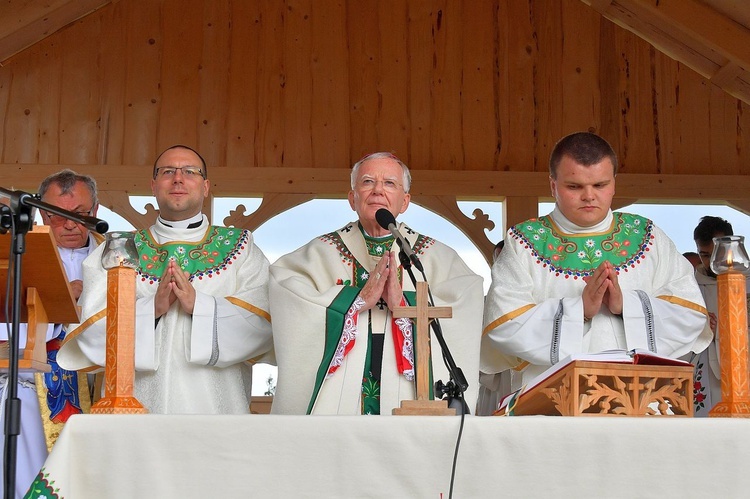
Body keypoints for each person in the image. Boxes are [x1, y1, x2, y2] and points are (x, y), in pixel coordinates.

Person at [481, 132, 712, 389]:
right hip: (551, 397)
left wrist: (627, 305)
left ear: (614, 183)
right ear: (553, 185)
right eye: (574, 186)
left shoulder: (648, 236)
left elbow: (690, 315)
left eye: (600, 185)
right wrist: (578, 310)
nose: (589, 196)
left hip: (640, 395)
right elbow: (503, 323)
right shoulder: (524, 242)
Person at [58, 145, 273, 414]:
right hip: (137, 408)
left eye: (190, 171)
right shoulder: (118, 249)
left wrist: (200, 306)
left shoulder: (241, 247)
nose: (178, 179)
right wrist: (152, 309)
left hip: (216, 410)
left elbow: (264, 325)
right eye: (168, 171)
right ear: (153, 185)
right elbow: (90, 330)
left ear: (206, 186)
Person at [269, 152, 483, 415]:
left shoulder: (433, 256)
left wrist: (404, 305)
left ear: (405, 202)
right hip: (339, 397)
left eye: (390, 183)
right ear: (352, 198)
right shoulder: (320, 253)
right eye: (368, 182)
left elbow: (467, 300)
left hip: (407, 390)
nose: (378, 190)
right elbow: (286, 292)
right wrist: (354, 301)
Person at [1, 170, 101, 498]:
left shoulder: (114, 258)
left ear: (96, 211)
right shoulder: (20, 251)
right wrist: (59, 297)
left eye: (81, 214)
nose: (71, 224)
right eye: (59, 216)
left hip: (95, 398)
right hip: (28, 394)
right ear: (43, 212)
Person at [691, 216, 750, 415]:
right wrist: (700, 326)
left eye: (716, 253)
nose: (711, 261)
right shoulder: (690, 287)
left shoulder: (746, 282)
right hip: (707, 364)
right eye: (704, 255)